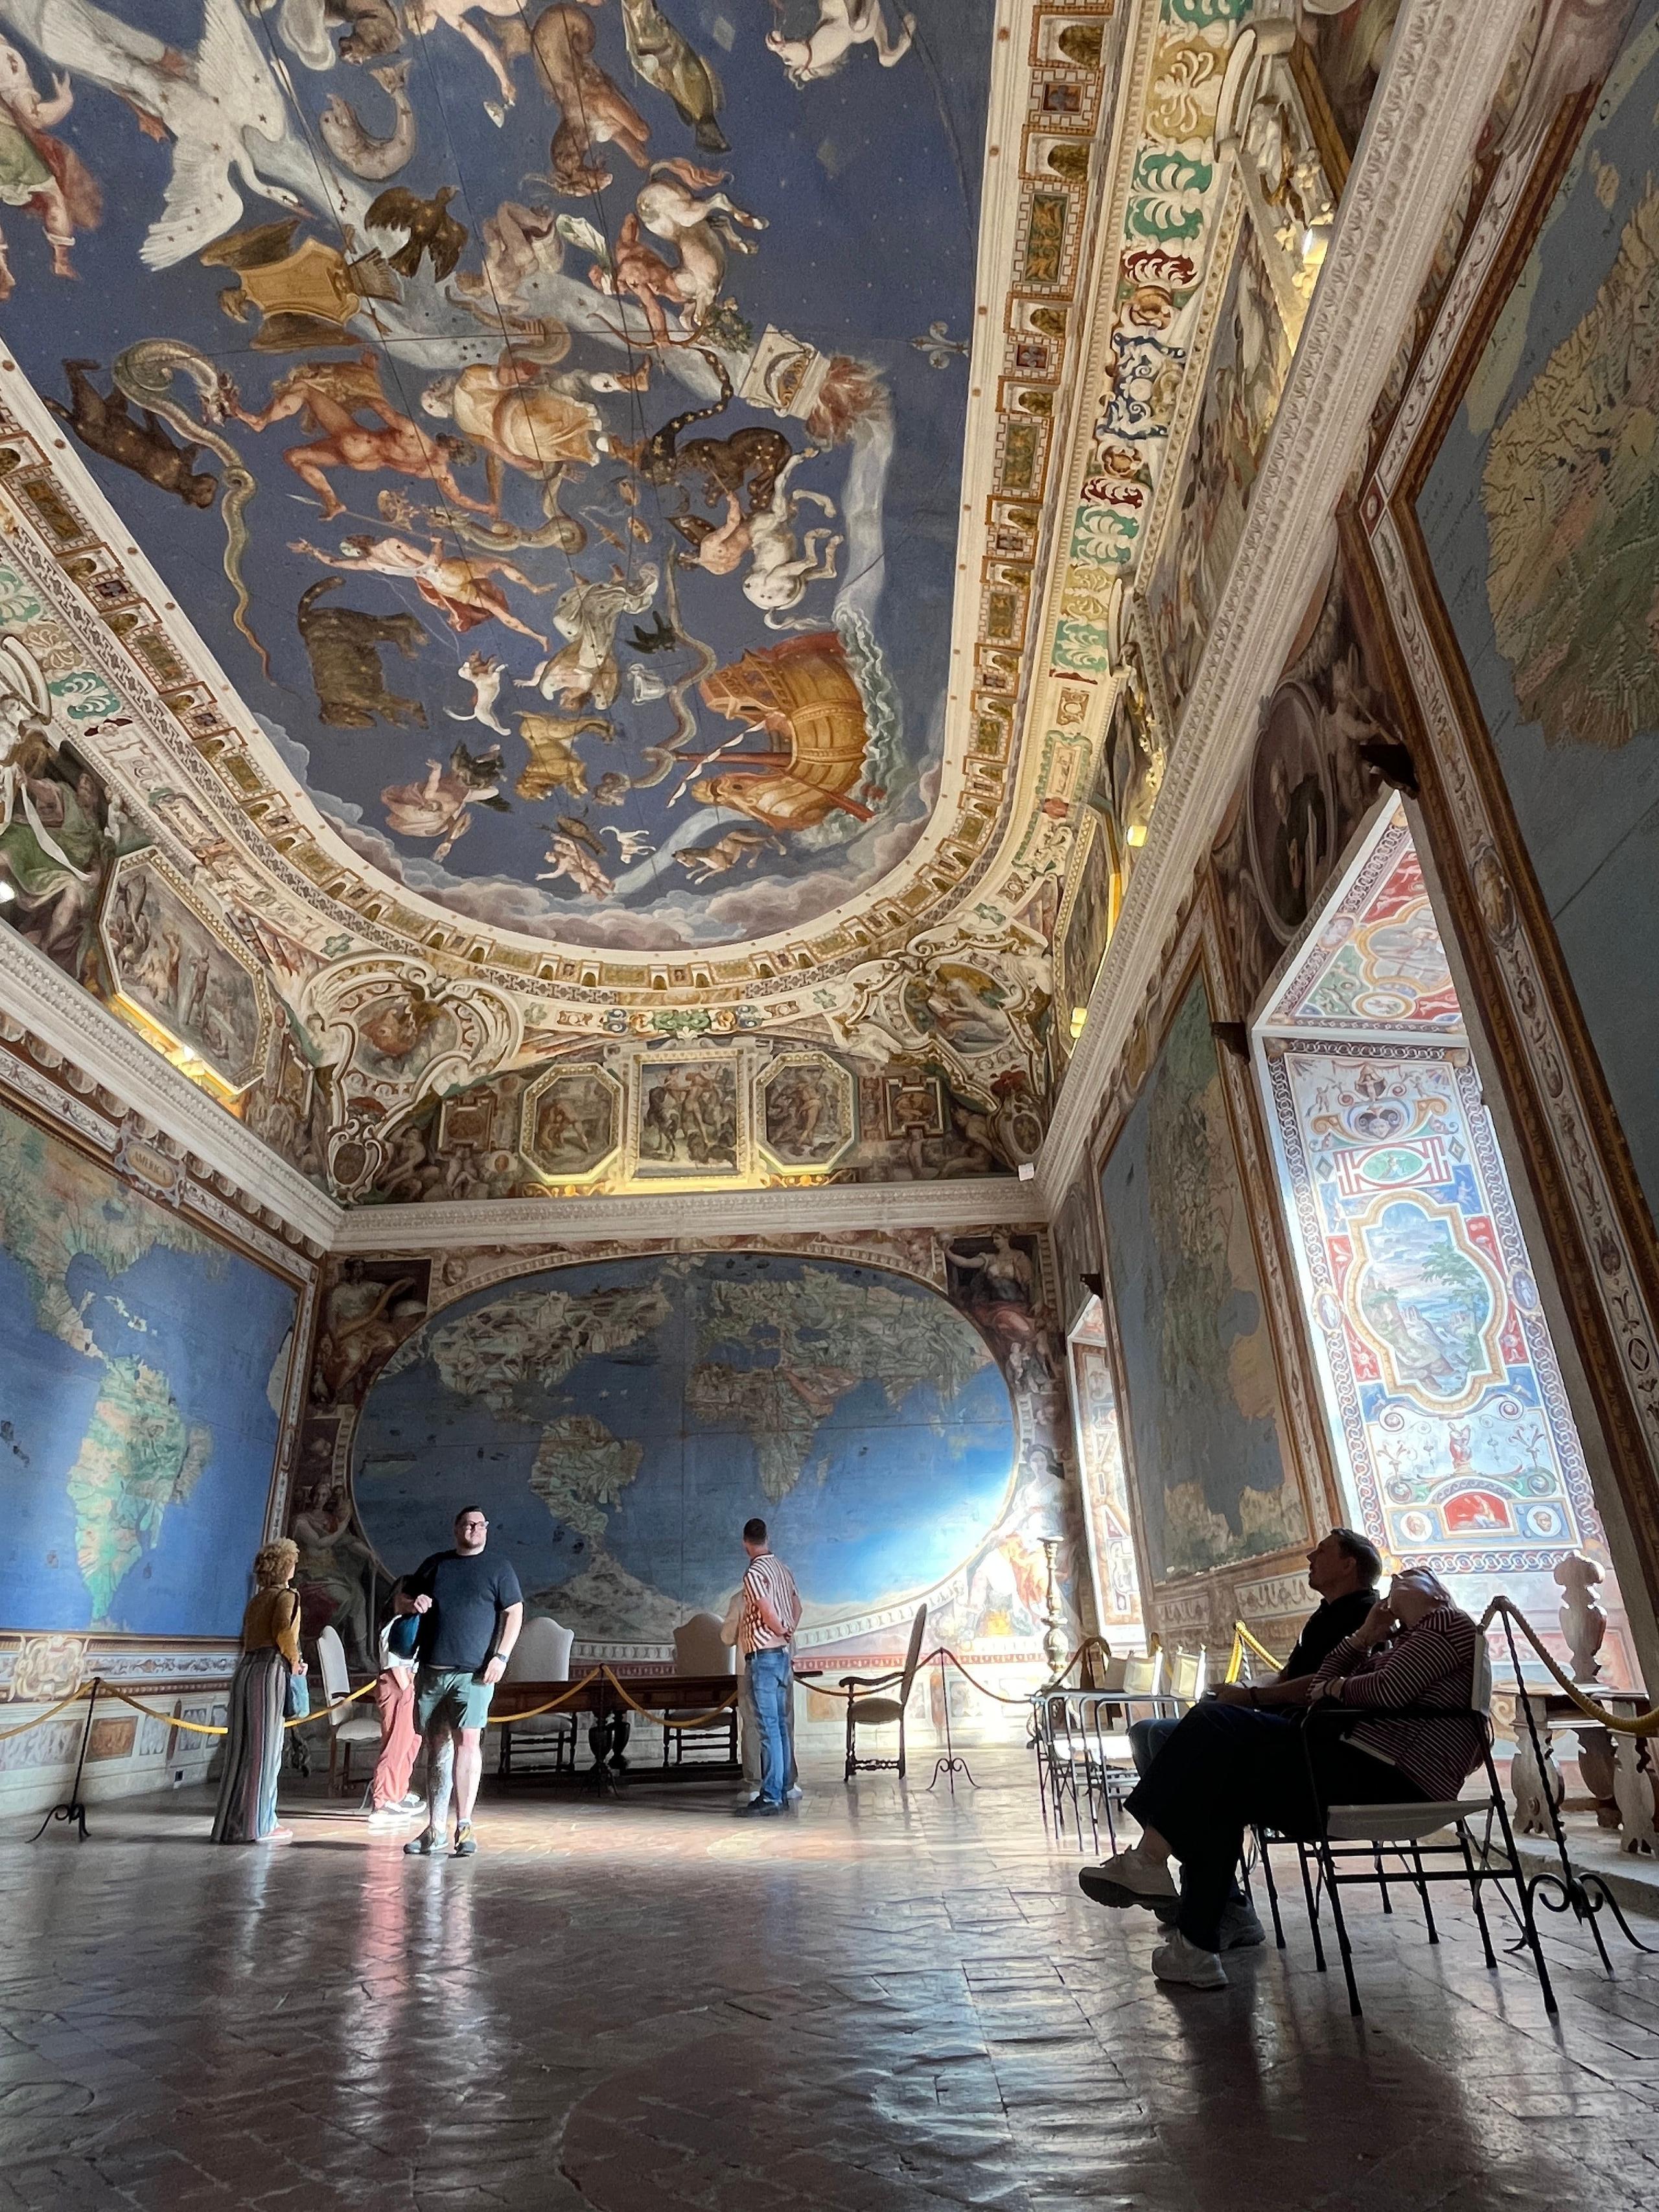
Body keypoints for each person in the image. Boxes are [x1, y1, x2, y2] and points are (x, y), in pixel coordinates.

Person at [1083, 1569, 1485, 1990]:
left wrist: (1335, 1688)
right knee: (1221, 1783)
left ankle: (1150, 1863)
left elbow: (1385, 1692)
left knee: (1211, 1723)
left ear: (1435, 1590)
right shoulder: (1402, 1639)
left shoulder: (1447, 1622)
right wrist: (1363, 1638)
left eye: (1410, 1577)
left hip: (1390, 1777)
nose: (1398, 1578)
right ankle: (1194, 1946)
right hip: (1360, 1767)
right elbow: (1322, 1685)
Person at [1103, 1526, 1383, 1951]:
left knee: (1201, 1744)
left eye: (1322, 1550)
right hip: (1280, 1722)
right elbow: (1290, 1676)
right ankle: (1217, 1894)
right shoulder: (1323, 1616)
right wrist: (1241, 1688)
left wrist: (1253, 1697)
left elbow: (1328, 1683)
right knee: (1148, 1732)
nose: (1311, 1556)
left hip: (1310, 1740)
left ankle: (1203, 1892)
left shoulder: (1366, 1615)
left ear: (1349, 1564)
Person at [397, 1507, 522, 1859]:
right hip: (433, 1671)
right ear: (456, 1529)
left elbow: (515, 1612)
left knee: (468, 1742)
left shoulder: (499, 1568)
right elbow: (400, 1601)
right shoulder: (436, 1564)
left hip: (476, 1673)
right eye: (468, 1524)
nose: (474, 1529)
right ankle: (435, 1828)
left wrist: (501, 1657)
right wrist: (412, 1602)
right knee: (436, 1747)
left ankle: (464, 1825)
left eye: (480, 1524)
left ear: (487, 1529)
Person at [211, 1539, 307, 1846]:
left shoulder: (257, 1600)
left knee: (241, 1751)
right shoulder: (286, 1596)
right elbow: (283, 1631)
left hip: (245, 1671)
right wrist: (295, 1661)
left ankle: (231, 1823)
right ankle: (260, 1824)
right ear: (285, 1566)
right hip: (269, 1671)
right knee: (266, 1752)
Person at [734, 1517, 801, 1817]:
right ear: (767, 1538)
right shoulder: (783, 1569)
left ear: (745, 1542)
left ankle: (772, 1794)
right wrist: (789, 1631)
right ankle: (784, 1788)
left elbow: (767, 1611)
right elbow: (797, 1606)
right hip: (783, 1655)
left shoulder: (754, 1573)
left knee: (768, 1727)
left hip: (763, 1657)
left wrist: (779, 1628)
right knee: (782, 1727)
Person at [723, 1581, 800, 1805]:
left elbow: (727, 1637)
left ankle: (754, 1783)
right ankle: (788, 1783)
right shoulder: (782, 1597)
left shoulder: (740, 1599)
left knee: (753, 1726)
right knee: (784, 1724)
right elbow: (792, 1630)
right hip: (783, 1663)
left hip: (749, 1667)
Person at [366, 1589, 425, 1828]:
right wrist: (408, 1689)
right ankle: (382, 1801)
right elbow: (396, 1663)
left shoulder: (414, 1624)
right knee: (395, 1744)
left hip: (410, 1685)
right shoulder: (396, 1625)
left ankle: (398, 1793)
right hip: (397, 1686)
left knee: (410, 1743)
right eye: (408, 1598)